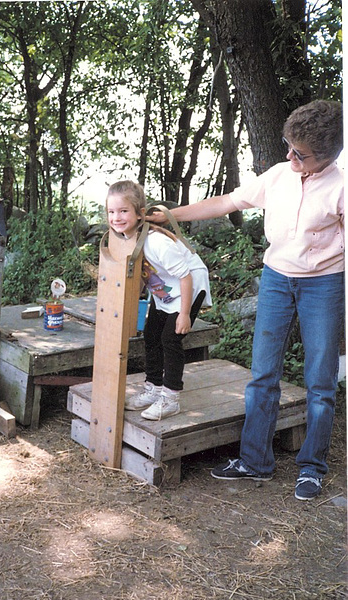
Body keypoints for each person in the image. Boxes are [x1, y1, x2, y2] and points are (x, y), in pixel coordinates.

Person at [147, 99, 344, 500]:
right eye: (287, 145)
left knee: (320, 380)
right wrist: (171, 215)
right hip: (275, 279)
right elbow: (227, 202)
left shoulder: (341, 187)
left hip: (323, 284)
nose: (289, 156)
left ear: (325, 156)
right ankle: (255, 461)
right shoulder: (278, 175)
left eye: (299, 153)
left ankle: (312, 467)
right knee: (262, 373)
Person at [106, 180, 212, 420]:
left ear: (140, 213)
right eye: (111, 212)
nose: (116, 217)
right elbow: (144, 274)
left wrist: (184, 314)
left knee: (170, 339)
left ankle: (170, 397)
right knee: (151, 334)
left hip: (189, 287)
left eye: (123, 211)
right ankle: (154, 388)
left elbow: (185, 276)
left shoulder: (157, 241)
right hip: (164, 289)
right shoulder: (127, 239)